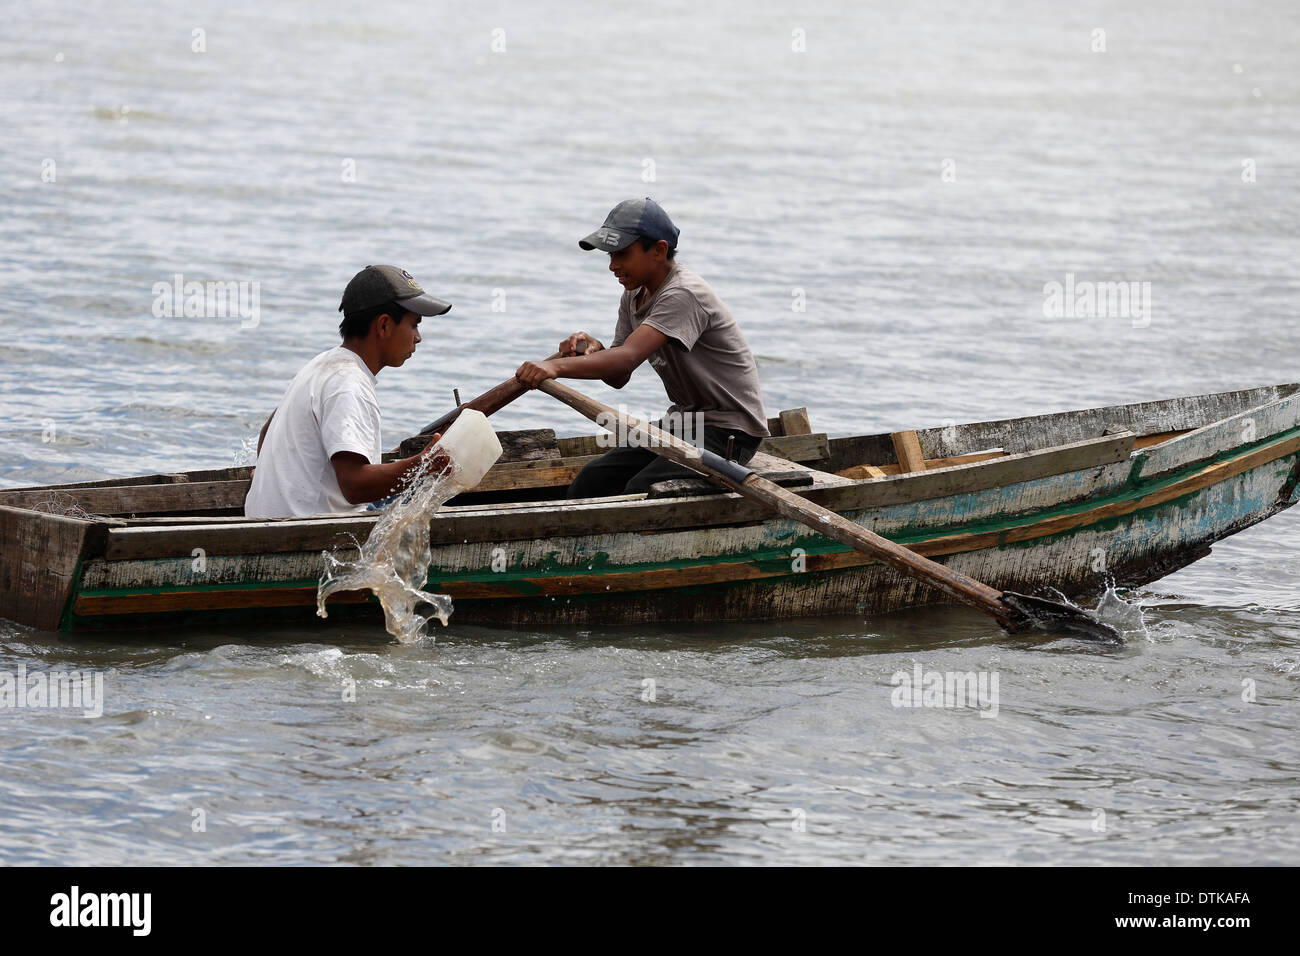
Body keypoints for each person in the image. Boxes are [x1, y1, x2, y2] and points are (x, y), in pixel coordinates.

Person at [514, 197, 768, 498]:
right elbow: (618, 376)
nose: (612, 265)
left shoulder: (683, 293)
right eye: (610, 255)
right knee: (592, 480)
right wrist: (594, 349)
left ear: (659, 250)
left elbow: (626, 359)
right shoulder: (634, 295)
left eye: (622, 254)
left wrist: (553, 367)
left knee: (643, 490)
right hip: (686, 423)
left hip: (730, 432)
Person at [244, 265, 453, 518]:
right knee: (434, 488)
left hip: (267, 519)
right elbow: (354, 486)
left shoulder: (322, 364)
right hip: (304, 533)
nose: (418, 337)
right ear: (384, 325)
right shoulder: (349, 383)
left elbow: (268, 430)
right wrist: (424, 465)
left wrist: (267, 473)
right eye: (414, 325)